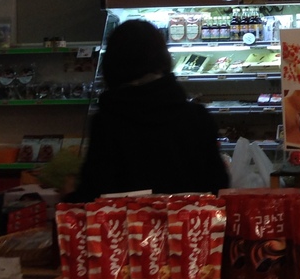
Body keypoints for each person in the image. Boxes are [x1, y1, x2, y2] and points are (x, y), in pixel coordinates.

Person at [67, 19, 229, 202]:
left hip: (127, 220)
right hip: (189, 219)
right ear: (162, 57)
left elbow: (93, 193)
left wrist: (67, 195)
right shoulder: (197, 117)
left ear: (112, 63)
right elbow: (218, 185)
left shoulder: (106, 122)